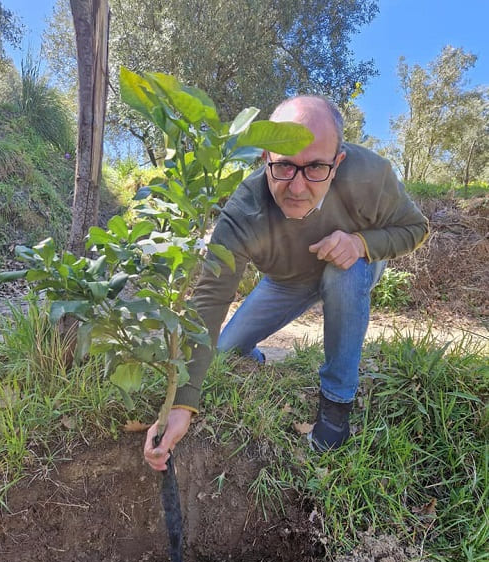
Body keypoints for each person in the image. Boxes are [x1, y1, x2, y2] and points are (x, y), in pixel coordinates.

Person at [144, 95, 429, 471]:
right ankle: (256, 354)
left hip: (349, 264)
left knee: (344, 274)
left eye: (315, 168)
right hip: (287, 282)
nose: (297, 187)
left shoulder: (370, 175)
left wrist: (361, 243)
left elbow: (416, 228)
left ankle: (336, 403)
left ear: (337, 161)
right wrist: (182, 404)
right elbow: (210, 298)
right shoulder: (244, 210)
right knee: (228, 348)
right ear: (265, 157)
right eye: (284, 167)